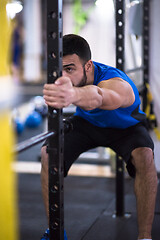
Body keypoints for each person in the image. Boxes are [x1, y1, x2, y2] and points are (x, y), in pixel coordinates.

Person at [41, 34, 158, 240]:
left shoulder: (117, 83)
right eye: (61, 70)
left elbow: (100, 96)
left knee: (145, 156)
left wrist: (73, 95)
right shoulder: (69, 79)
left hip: (125, 128)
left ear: (88, 66)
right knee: (48, 153)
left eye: (70, 69)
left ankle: (145, 236)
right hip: (88, 124)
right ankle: (55, 232)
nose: (64, 77)